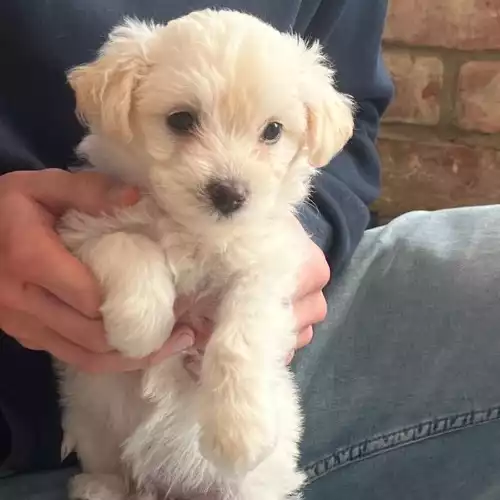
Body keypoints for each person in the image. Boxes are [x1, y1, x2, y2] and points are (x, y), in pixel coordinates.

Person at [1, 1, 499, 499]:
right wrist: (130, 268)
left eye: (272, 132)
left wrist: (311, 235)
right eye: (182, 121)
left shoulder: (279, 183)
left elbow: (355, 124)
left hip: (263, 408)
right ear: (120, 106)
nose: (228, 177)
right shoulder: (113, 196)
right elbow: (101, 254)